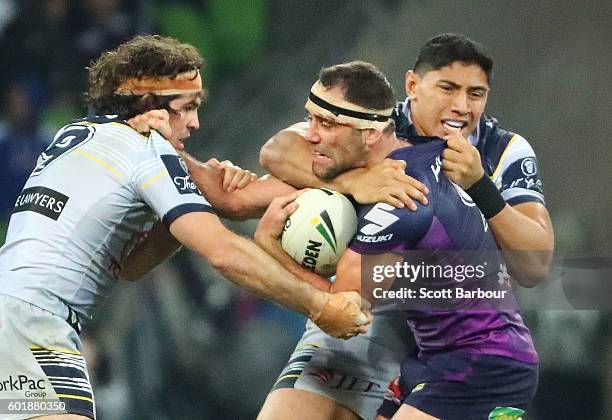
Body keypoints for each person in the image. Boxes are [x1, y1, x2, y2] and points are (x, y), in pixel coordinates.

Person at [0, 35, 371, 420]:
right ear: (149, 106)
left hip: (18, 315)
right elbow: (223, 253)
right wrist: (320, 306)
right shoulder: (146, 150)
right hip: (32, 321)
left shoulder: (79, 135)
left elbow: (130, 266)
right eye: (187, 108)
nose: (195, 122)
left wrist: (179, 207)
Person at [256, 35, 554, 420]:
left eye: (476, 94)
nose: (461, 106)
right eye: (448, 88)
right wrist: (349, 184)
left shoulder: (500, 150)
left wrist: (481, 185)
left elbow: (535, 267)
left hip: (456, 334)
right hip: (394, 315)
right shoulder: (376, 126)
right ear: (412, 85)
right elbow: (278, 150)